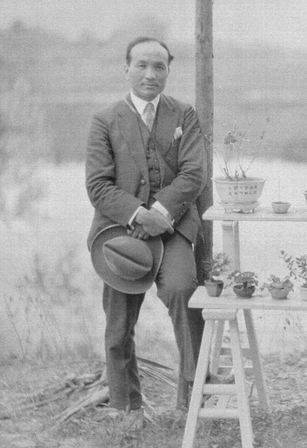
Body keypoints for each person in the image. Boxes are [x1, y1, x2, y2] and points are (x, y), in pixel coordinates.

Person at [85, 36, 207, 427]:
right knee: (118, 321)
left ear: (169, 70)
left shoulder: (184, 115)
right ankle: (127, 407)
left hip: (172, 230)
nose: (150, 74)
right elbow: (98, 186)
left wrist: (161, 212)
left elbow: (193, 174)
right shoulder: (105, 120)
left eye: (159, 67)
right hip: (122, 233)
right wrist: (138, 214)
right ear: (126, 69)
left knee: (182, 290)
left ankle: (193, 398)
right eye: (142, 65)